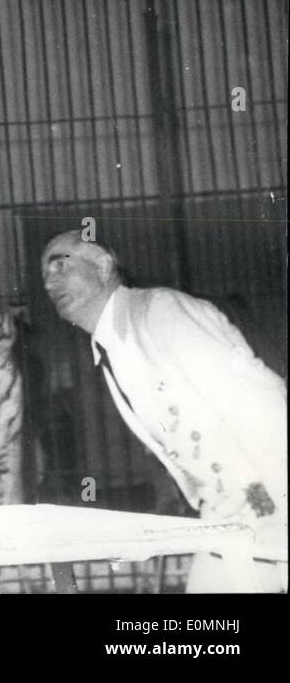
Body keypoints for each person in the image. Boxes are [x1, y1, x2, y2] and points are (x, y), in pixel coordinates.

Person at [40, 230, 288, 592]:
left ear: (105, 265)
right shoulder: (112, 346)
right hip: (227, 509)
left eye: (61, 263)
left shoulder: (161, 312)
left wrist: (275, 501)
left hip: (268, 498)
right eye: (44, 274)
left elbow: (263, 404)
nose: (50, 280)